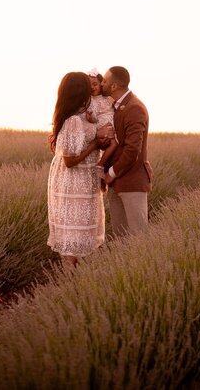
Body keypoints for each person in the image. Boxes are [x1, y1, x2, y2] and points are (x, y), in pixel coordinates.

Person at [47, 72, 106, 266]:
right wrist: (95, 143)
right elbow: (69, 161)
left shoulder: (82, 115)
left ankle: (76, 280)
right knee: (73, 232)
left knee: (81, 232)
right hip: (73, 180)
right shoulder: (72, 120)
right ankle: (68, 280)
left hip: (85, 178)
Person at [100, 66, 153, 237]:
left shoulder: (134, 107)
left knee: (138, 238)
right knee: (120, 239)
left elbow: (132, 150)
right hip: (117, 183)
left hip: (132, 181)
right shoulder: (114, 106)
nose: (102, 83)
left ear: (114, 86)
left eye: (105, 81)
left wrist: (111, 173)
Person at [85, 68, 117, 175]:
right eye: (89, 85)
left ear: (101, 85)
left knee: (113, 145)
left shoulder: (107, 97)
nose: (92, 87)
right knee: (111, 144)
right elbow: (94, 119)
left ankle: (101, 164)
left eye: (95, 84)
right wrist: (91, 119)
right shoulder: (90, 101)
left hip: (111, 125)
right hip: (102, 126)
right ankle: (101, 164)